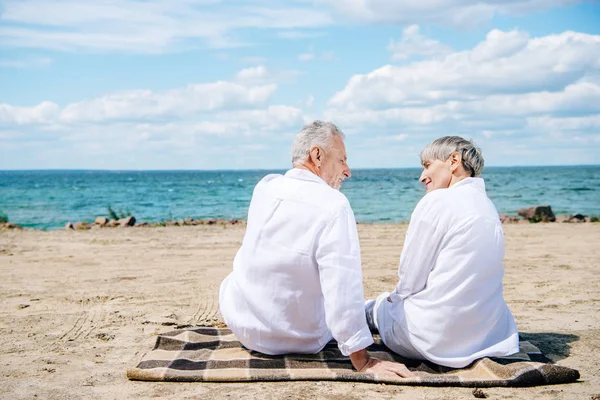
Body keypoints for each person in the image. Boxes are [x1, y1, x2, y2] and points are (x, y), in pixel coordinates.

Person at [219, 121, 412, 377]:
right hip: (300, 338)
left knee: (238, 273)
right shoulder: (334, 205)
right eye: (342, 160)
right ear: (317, 155)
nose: (348, 171)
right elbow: (341, 286)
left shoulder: (266, 186)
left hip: (245, 328)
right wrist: (362, 359)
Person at [366, 136, 519, 368]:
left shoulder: (437, 201)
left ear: (453, 160)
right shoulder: (487, 206)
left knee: (376, 307)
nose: (422, 176)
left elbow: (410, 278)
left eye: (427, 166)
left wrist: (393, 299)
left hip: (431, 339)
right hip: (486, 337)